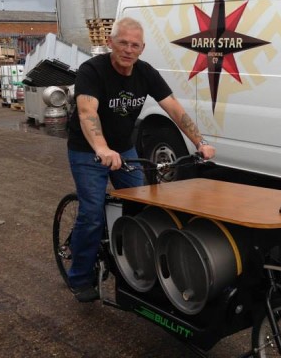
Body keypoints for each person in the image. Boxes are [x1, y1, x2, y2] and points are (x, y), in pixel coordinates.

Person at [66, 16, 216, 302]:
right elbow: (87, 112)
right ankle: (80, 277)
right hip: (88, 150)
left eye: (134, 45)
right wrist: (101, 148)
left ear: (142, 48)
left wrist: (200, 141)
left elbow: (174, 108)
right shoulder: (92, 71)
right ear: (111, 43)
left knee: (143, 207)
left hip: (124, 149)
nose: (128, 49)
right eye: (122, 43)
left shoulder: (145, 73)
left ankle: (133, 266)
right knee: (92, 213)